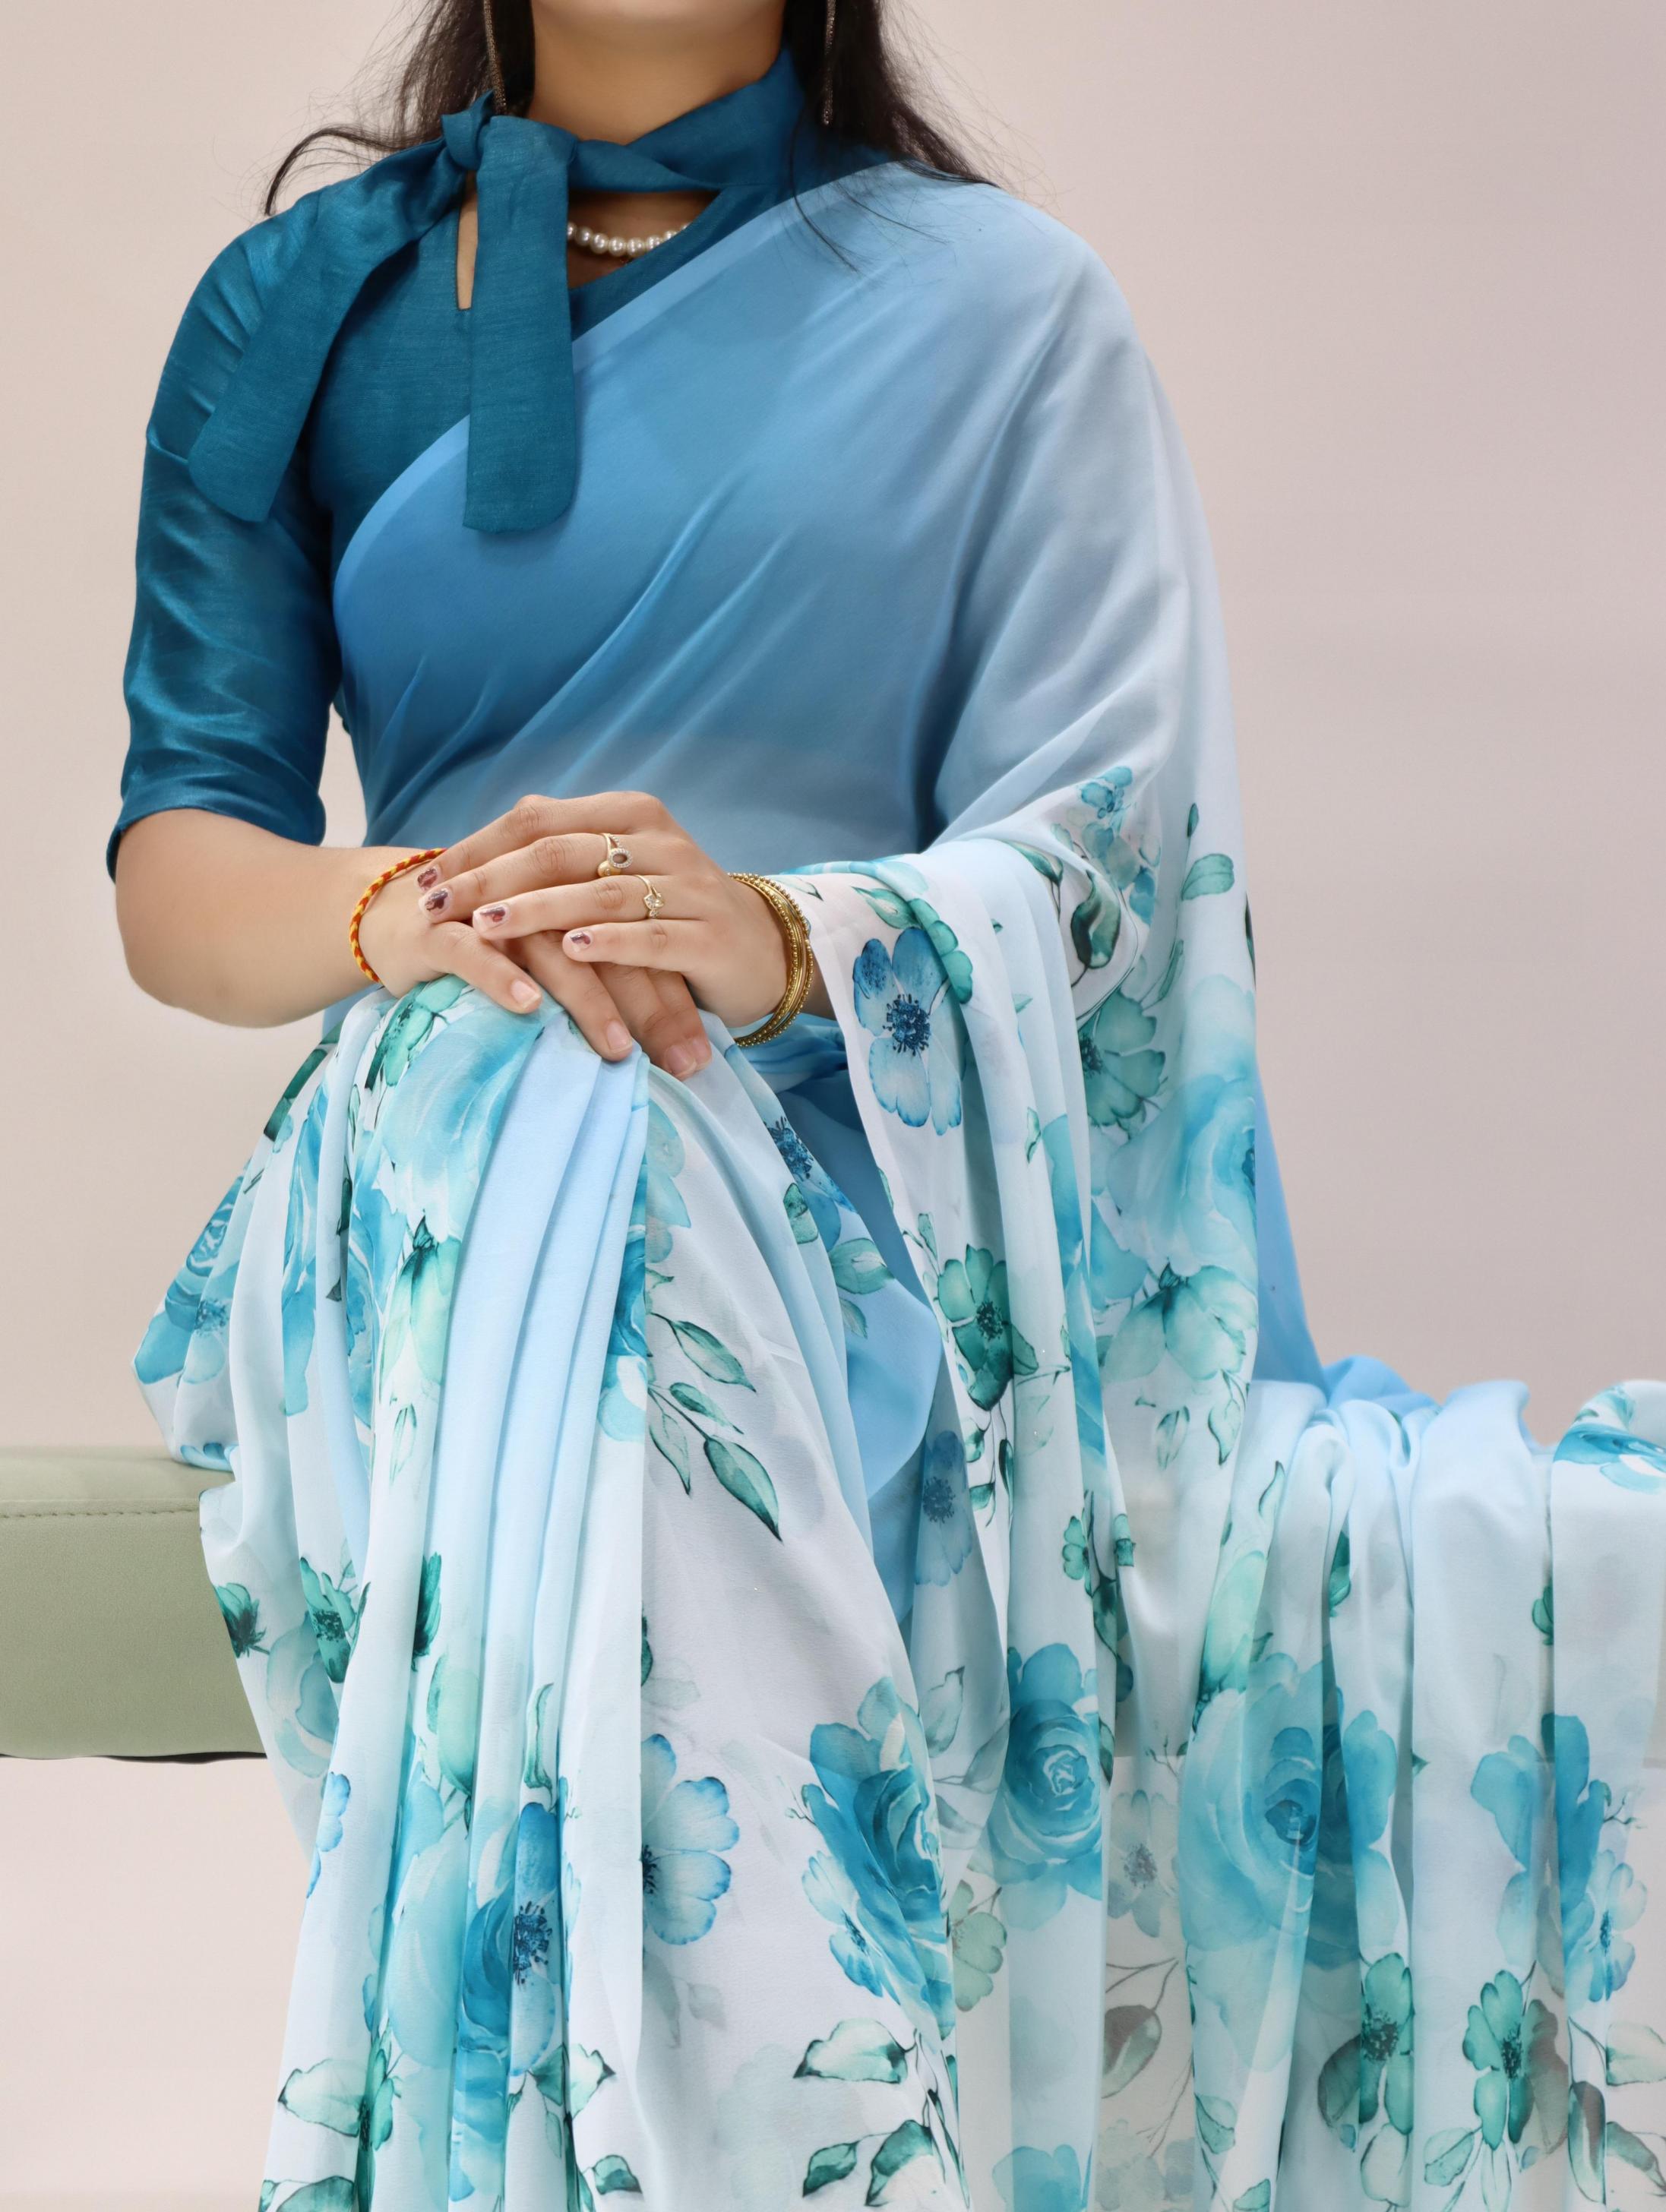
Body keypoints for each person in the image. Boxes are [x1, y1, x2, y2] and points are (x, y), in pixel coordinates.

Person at [110, 2, 1666, 2206]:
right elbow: (183, 876)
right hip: (450, 1142)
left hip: (902, 1207)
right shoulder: (307, 308)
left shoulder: (1003, 310)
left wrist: (772, 937)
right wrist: (442, 914)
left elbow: (1111, 863)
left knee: (638, 1120)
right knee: (574, 1097)